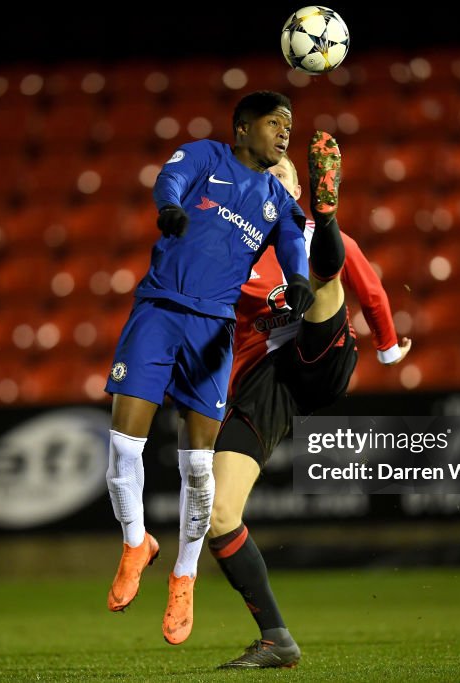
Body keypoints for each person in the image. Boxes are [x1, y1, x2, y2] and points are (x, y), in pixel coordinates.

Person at [103, 91, 317, 647]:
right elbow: (168, 181)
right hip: (159, 311)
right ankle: (135, 543)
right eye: (275, 124)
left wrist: (296, 279)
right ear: (243, 129)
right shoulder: (205, 156)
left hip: (214, 330)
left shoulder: (277, 199)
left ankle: (184, 576)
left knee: (198, 466)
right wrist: (169, 207)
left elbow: (294, 242)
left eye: (288, 126)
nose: (284, 133)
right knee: (125, 443)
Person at [207, 131, 412, 668]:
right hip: (264, 381)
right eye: (260, 177)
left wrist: (388, 349)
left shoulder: (316, 232)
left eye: (281, 176)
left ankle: (328, 216)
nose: (271, 181)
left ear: (298, 186)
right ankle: (277, 639)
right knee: (219, 514)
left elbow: (370, 292)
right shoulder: (227, 251)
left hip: (321, 353)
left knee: (326, 280)